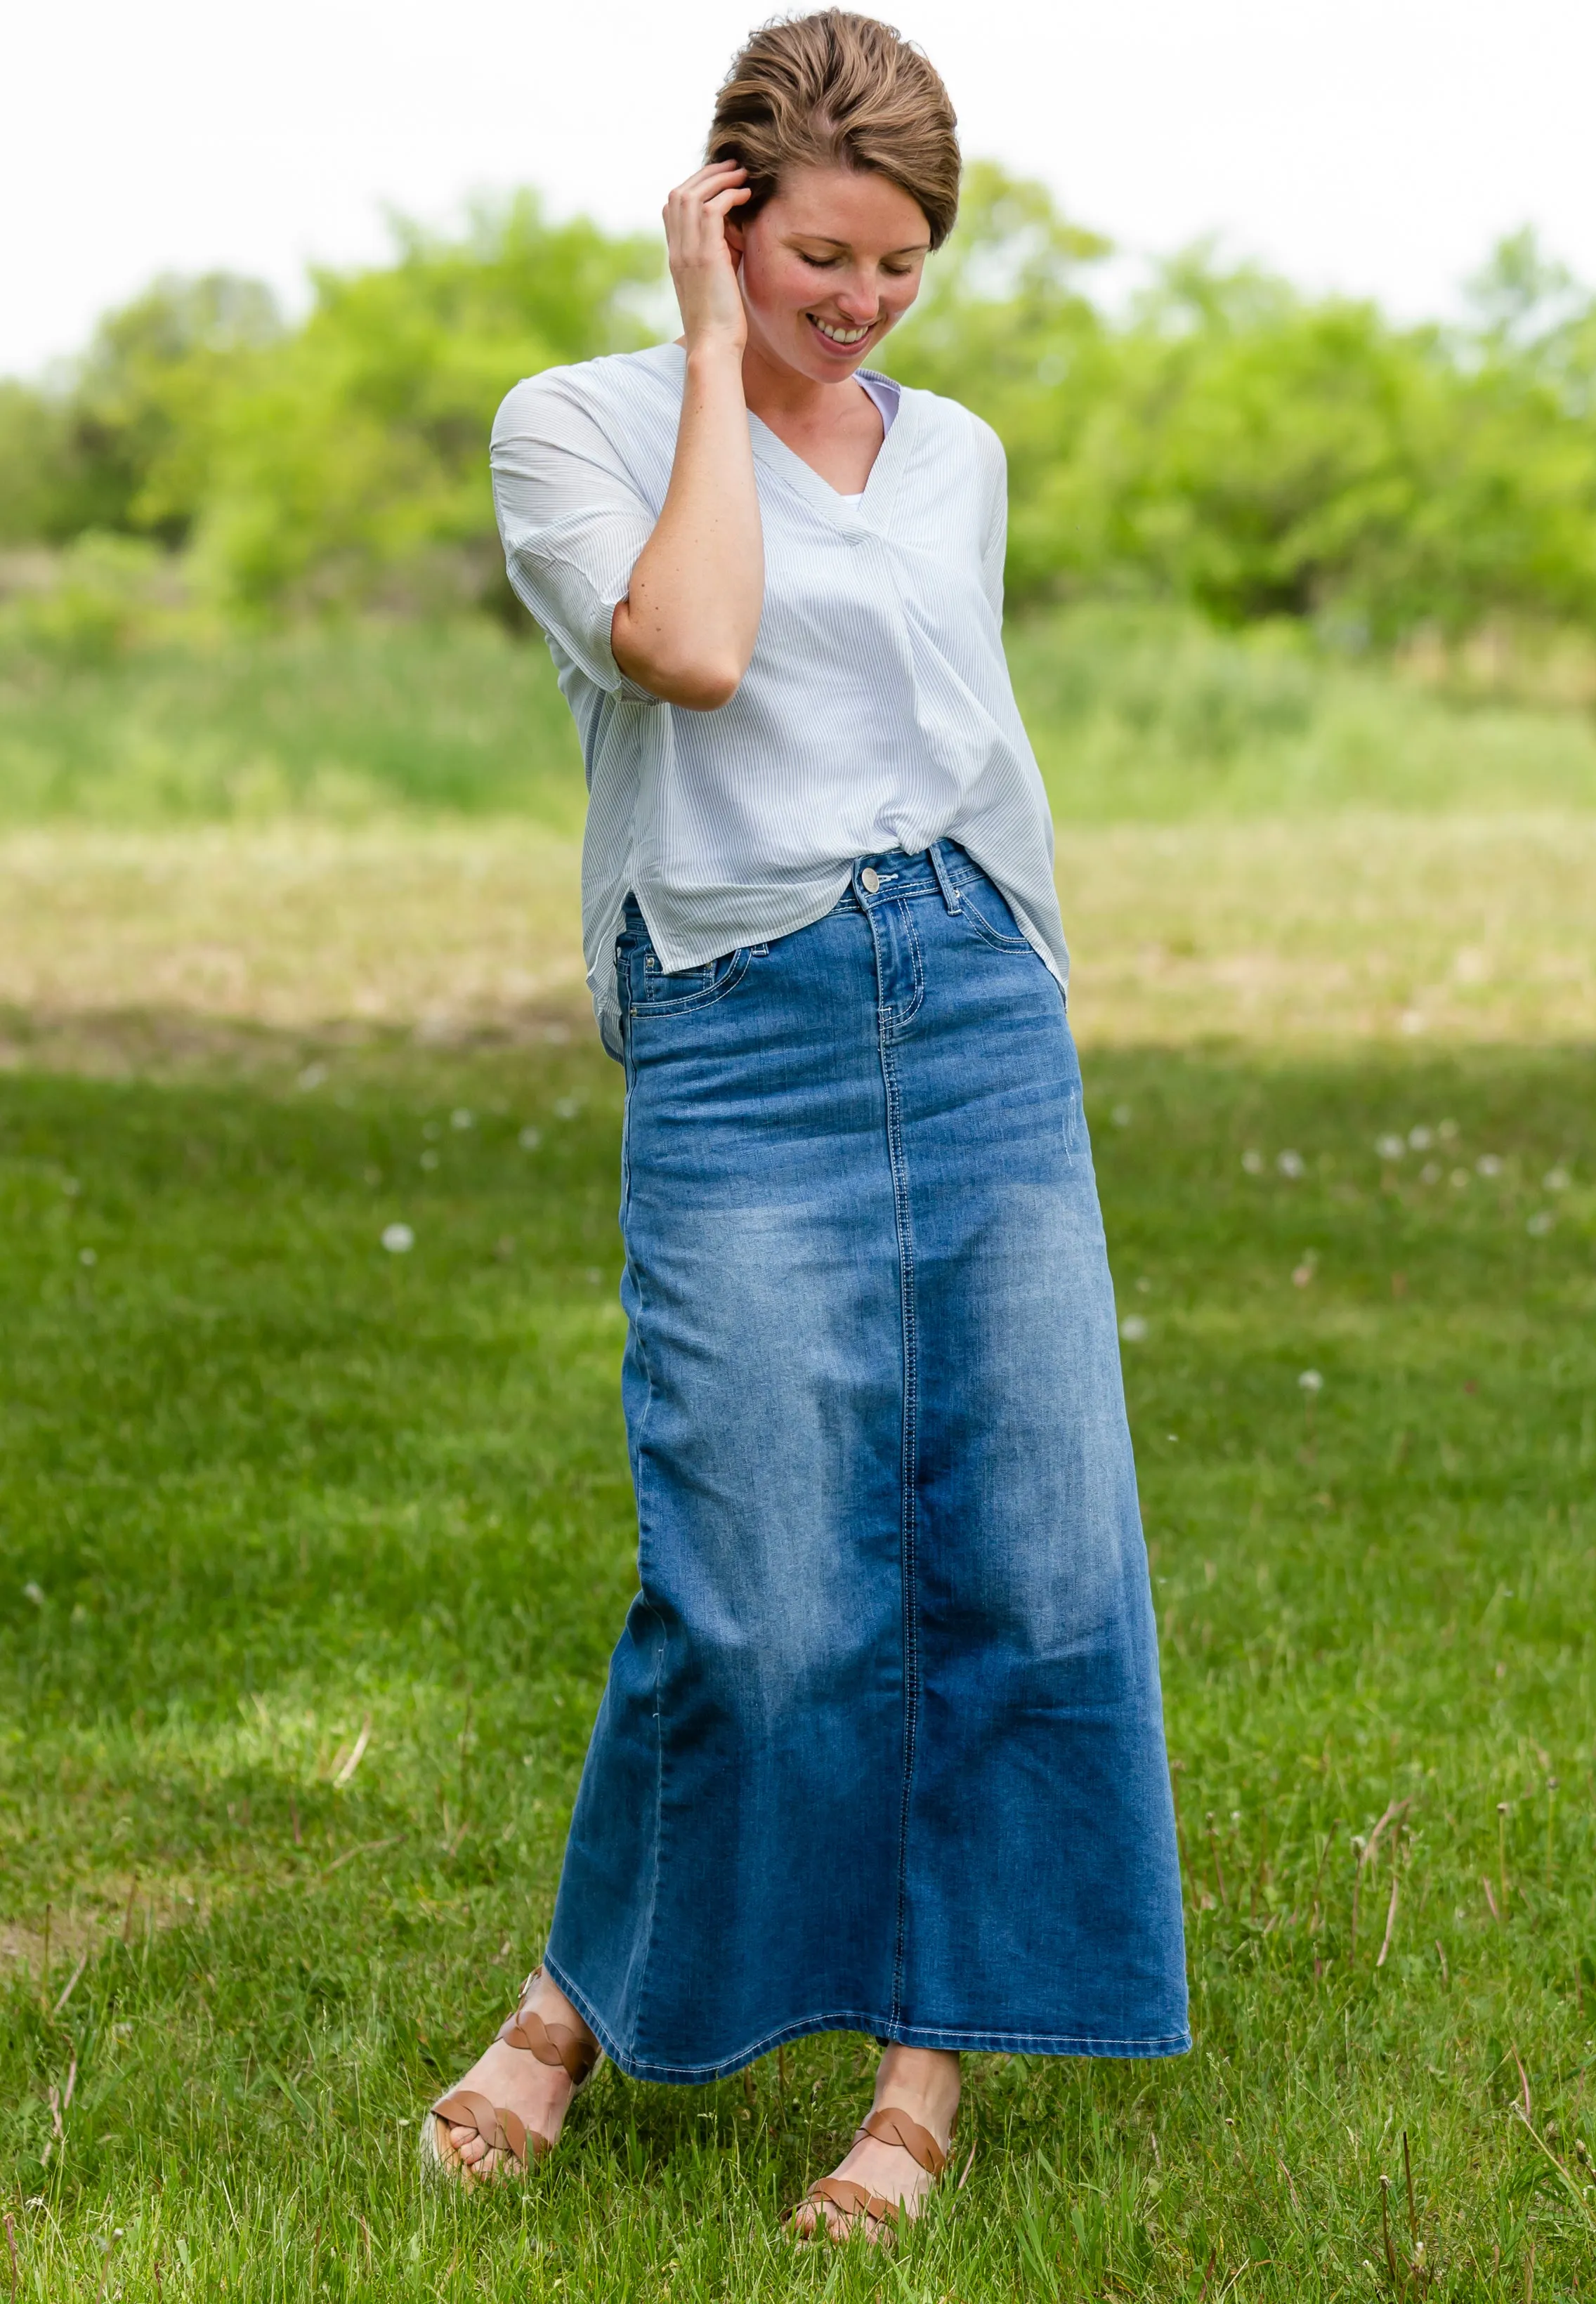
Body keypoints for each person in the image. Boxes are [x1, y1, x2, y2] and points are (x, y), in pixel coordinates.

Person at [421, 7, 1188, 2239]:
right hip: (740, 1016)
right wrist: (696, 356)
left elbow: (972, 746)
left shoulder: (947, 451)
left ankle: (922, 2072)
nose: (855, 306)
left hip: (968, 1002)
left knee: (1027, 1566)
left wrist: (1029, 979)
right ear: (722, 214)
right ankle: (581, 1987)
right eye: (815, 259)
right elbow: (695, 651)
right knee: (755, 1578)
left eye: (898, 268)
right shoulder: (575, 426)